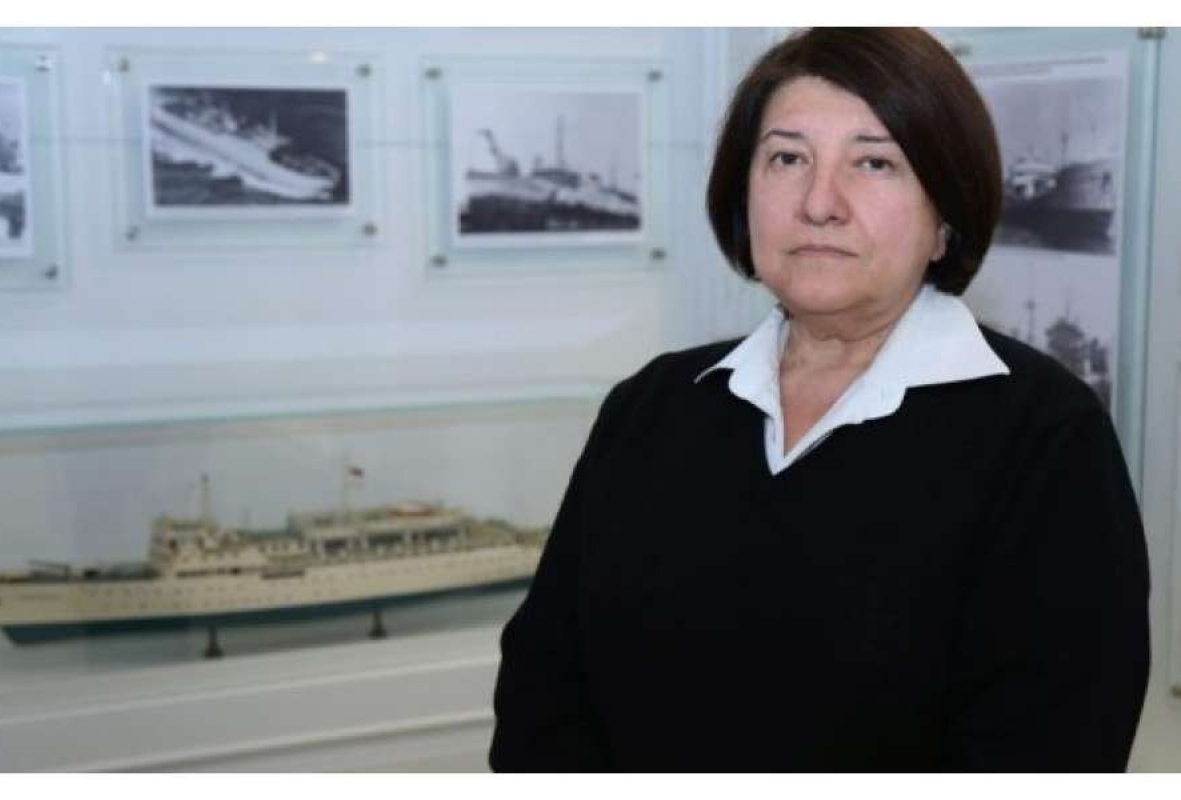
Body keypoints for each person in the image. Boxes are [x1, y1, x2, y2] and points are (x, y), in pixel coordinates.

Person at [489, 27, 1150, 771]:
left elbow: (1051, 749)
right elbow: (542, 694)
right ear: (743, 193)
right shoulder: (652, 406)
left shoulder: (1045, 437)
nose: (819, 203)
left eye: (874, 162)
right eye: (787, 158)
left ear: (945, 216)